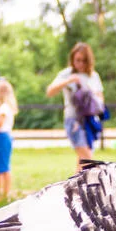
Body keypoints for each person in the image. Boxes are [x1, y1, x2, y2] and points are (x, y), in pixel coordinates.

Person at [46, 42, 104, 171]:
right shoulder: (66, 74)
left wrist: (90, 96)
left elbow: (101, 98)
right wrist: (69, 81)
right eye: (77, 60)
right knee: (89, 161)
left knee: (83, 164)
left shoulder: (93, 76)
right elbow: (50, 91)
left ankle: (78, 190)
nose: (81, 64)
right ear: (72, 59)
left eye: (84, 61)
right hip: (74, 121)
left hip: (89, 121)